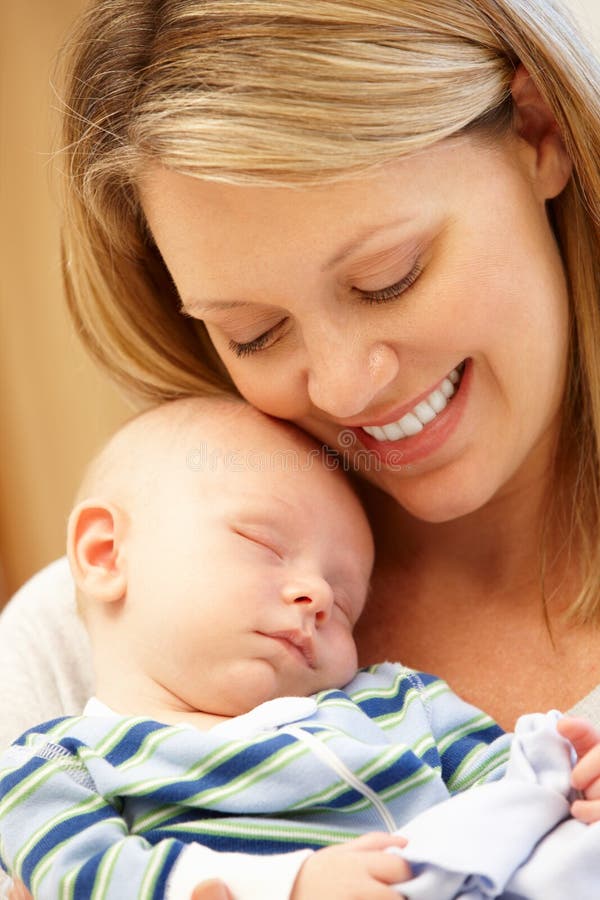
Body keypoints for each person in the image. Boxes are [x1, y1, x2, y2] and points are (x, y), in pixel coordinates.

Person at [2, 0, 600, 894]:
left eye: (388, 278)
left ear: (538, 130)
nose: (345, 388)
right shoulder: (78, 640)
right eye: (253, 334)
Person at [2, 397, 600, 900]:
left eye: (345, 604)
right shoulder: (56, 767)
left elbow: (504, 790)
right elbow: (89, 879)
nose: (316, 595)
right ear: (107, 554)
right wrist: (291, 885)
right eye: (262, 543)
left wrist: (562, 775)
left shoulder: (400, 704)